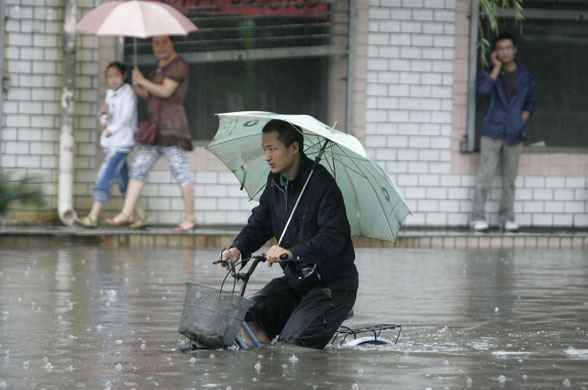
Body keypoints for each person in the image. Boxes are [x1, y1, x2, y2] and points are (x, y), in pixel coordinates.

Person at [219, 119, 358, 349]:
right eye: (264, 149)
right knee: (243, 317)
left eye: (272, 148)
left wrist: (292, 253)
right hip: (297, 282)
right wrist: (238, 248)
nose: (266, 156)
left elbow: (334, 237)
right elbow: (261, 222)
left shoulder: (322, 185)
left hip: (332, 286)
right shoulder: (275, 182)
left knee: (291, 348)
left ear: (294, 148)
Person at [106, 35, 197, 231]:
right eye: (156, 43)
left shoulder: (178, 64)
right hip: (153, 131)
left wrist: (141, 80)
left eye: (164, 42)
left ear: (172, 43)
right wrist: (128, 86)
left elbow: (165, 91)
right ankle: (127, 212)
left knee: (180, 171)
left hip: (172, 129)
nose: (160, 46)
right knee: (138, 167)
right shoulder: (158, 66)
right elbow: (149, 93)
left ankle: (190, 218)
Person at [471, 32, 536, 232]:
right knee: (485, 177)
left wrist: (519, 121)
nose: (504, 52)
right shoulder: (489, 72)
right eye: (500, 48)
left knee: (509, 179)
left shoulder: (526, 74)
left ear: (514, 50)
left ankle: (507, 218)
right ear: (496, 52)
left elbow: (530, 103)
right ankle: (477, 218)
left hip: (514, 133)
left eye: (508, 47)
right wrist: (497, 68)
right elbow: (483, 90)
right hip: (492, 131)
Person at [75, 61, 145, 228]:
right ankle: (141, 216)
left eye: (116, 76)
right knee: (124, 183)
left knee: (104, 177)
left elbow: (126, 117)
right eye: (110, 77)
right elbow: (105, 118)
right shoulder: (109, 93)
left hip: (121, 143)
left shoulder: (128, 92)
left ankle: (93, 216)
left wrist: (111, 129)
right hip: (111, 143)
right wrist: (103, 114)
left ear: (124, 76)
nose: (113, 80)